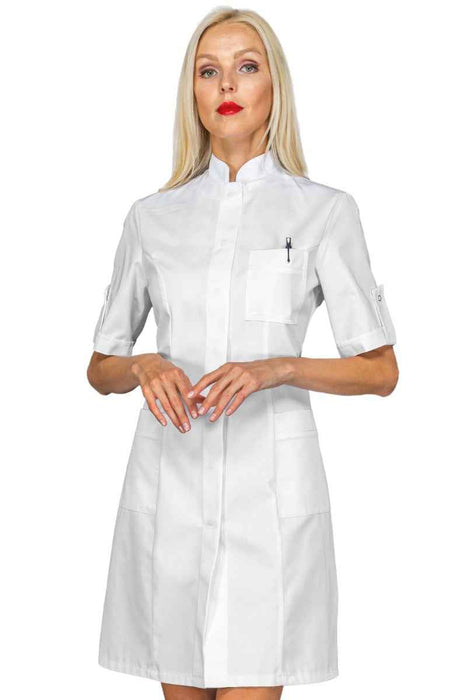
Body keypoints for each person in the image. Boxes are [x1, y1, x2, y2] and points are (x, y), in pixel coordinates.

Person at [87, 7, 399, 700]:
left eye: (246, 66)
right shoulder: (151, 218)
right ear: (193, 93)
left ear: (273, 86)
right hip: (170, 489)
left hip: (270, 501)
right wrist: (142, 365)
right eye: (209, 71)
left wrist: (277, 368)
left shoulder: (324, 212)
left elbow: (380, 371)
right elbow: (101, 367)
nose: (227, 83)